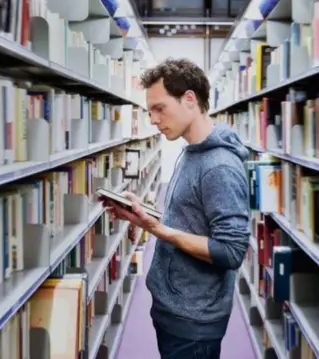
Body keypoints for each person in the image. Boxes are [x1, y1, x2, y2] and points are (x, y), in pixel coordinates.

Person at [102, 58, 250, 359]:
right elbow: (190, 220)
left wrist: (158, 229)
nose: (153, 120)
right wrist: (143, 216)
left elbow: (231, 251)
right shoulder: (191, 151)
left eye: (159, 108)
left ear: (189, 99)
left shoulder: (219, 166)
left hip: (194, 321)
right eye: (150, 111)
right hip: (175, 306)